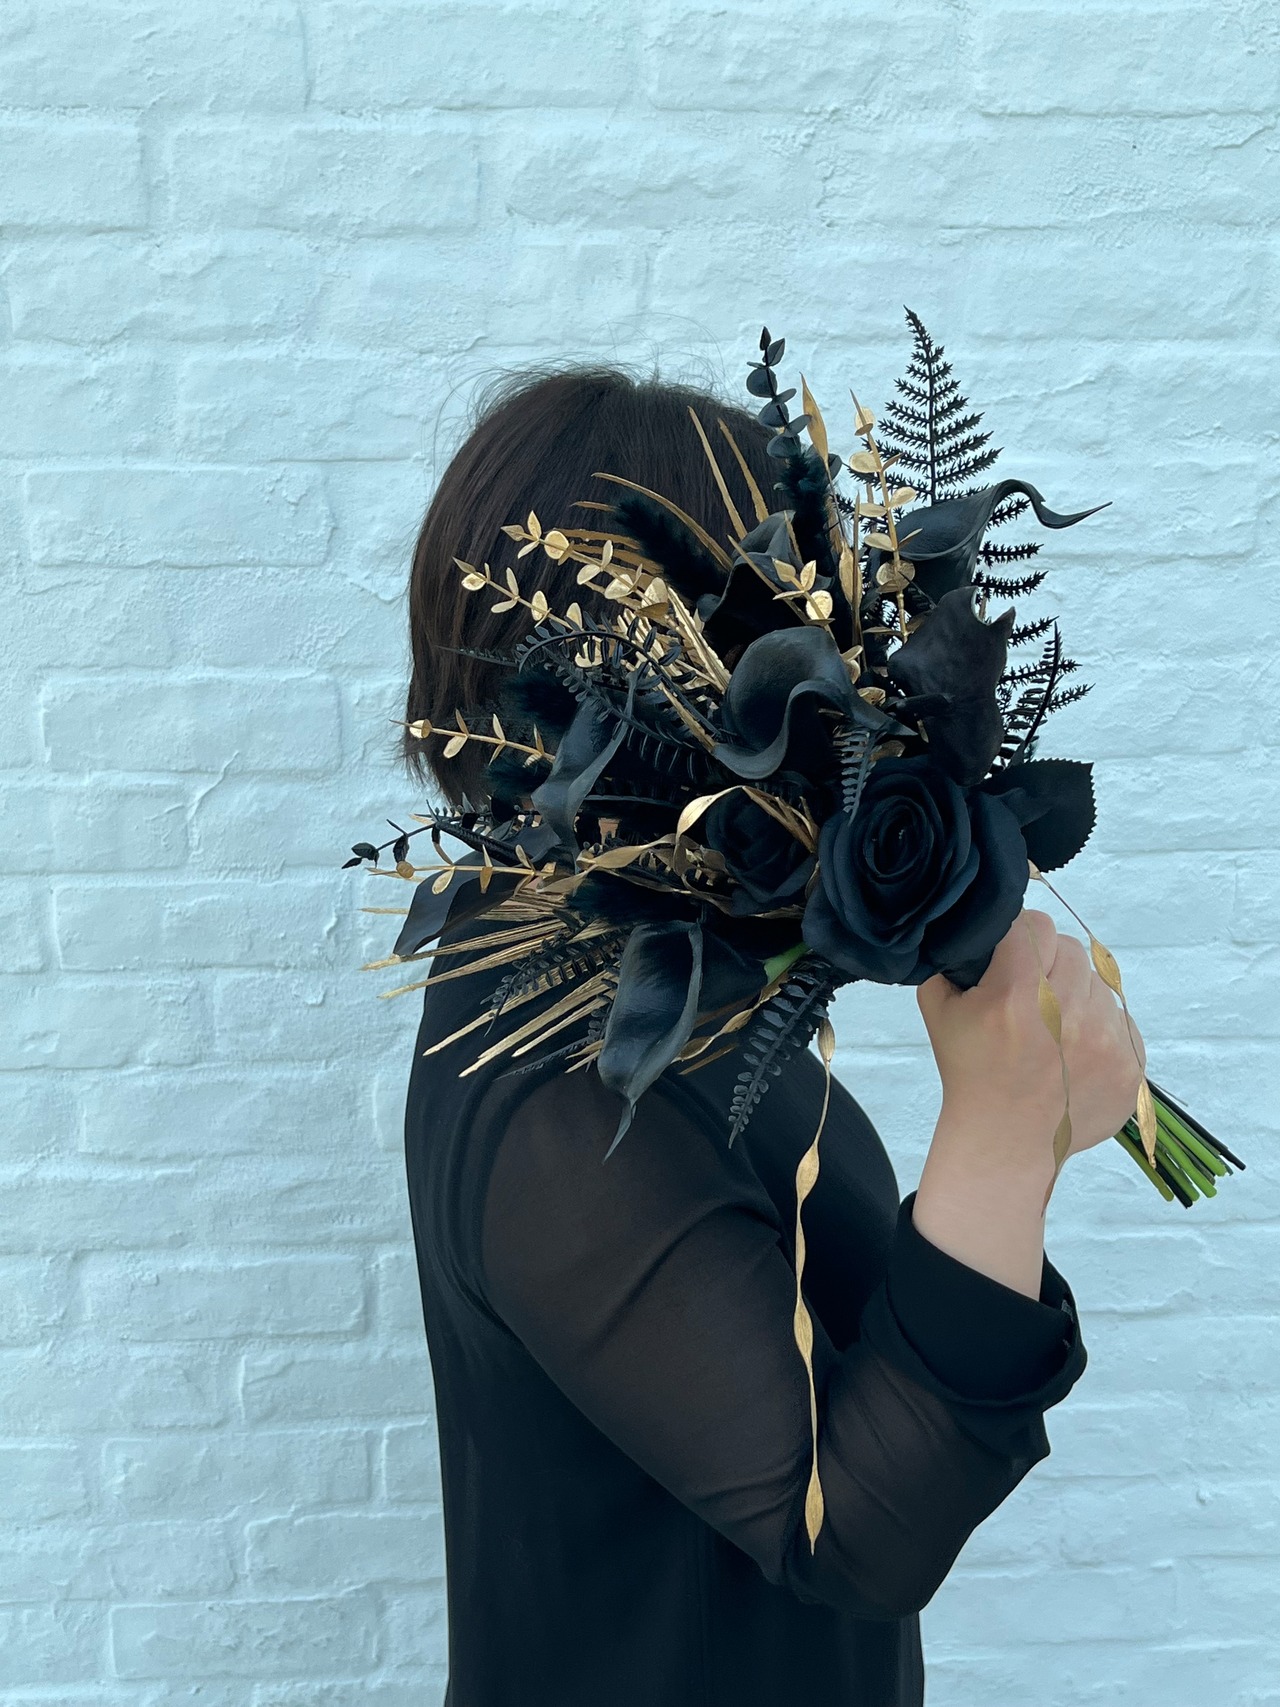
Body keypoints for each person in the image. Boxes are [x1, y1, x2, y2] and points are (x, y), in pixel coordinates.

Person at [397, 365, 1145, 1706]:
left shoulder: (630, 973)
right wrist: (1002, 1136)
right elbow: (848, 1532)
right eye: (795, 632)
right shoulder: (562, 1086)